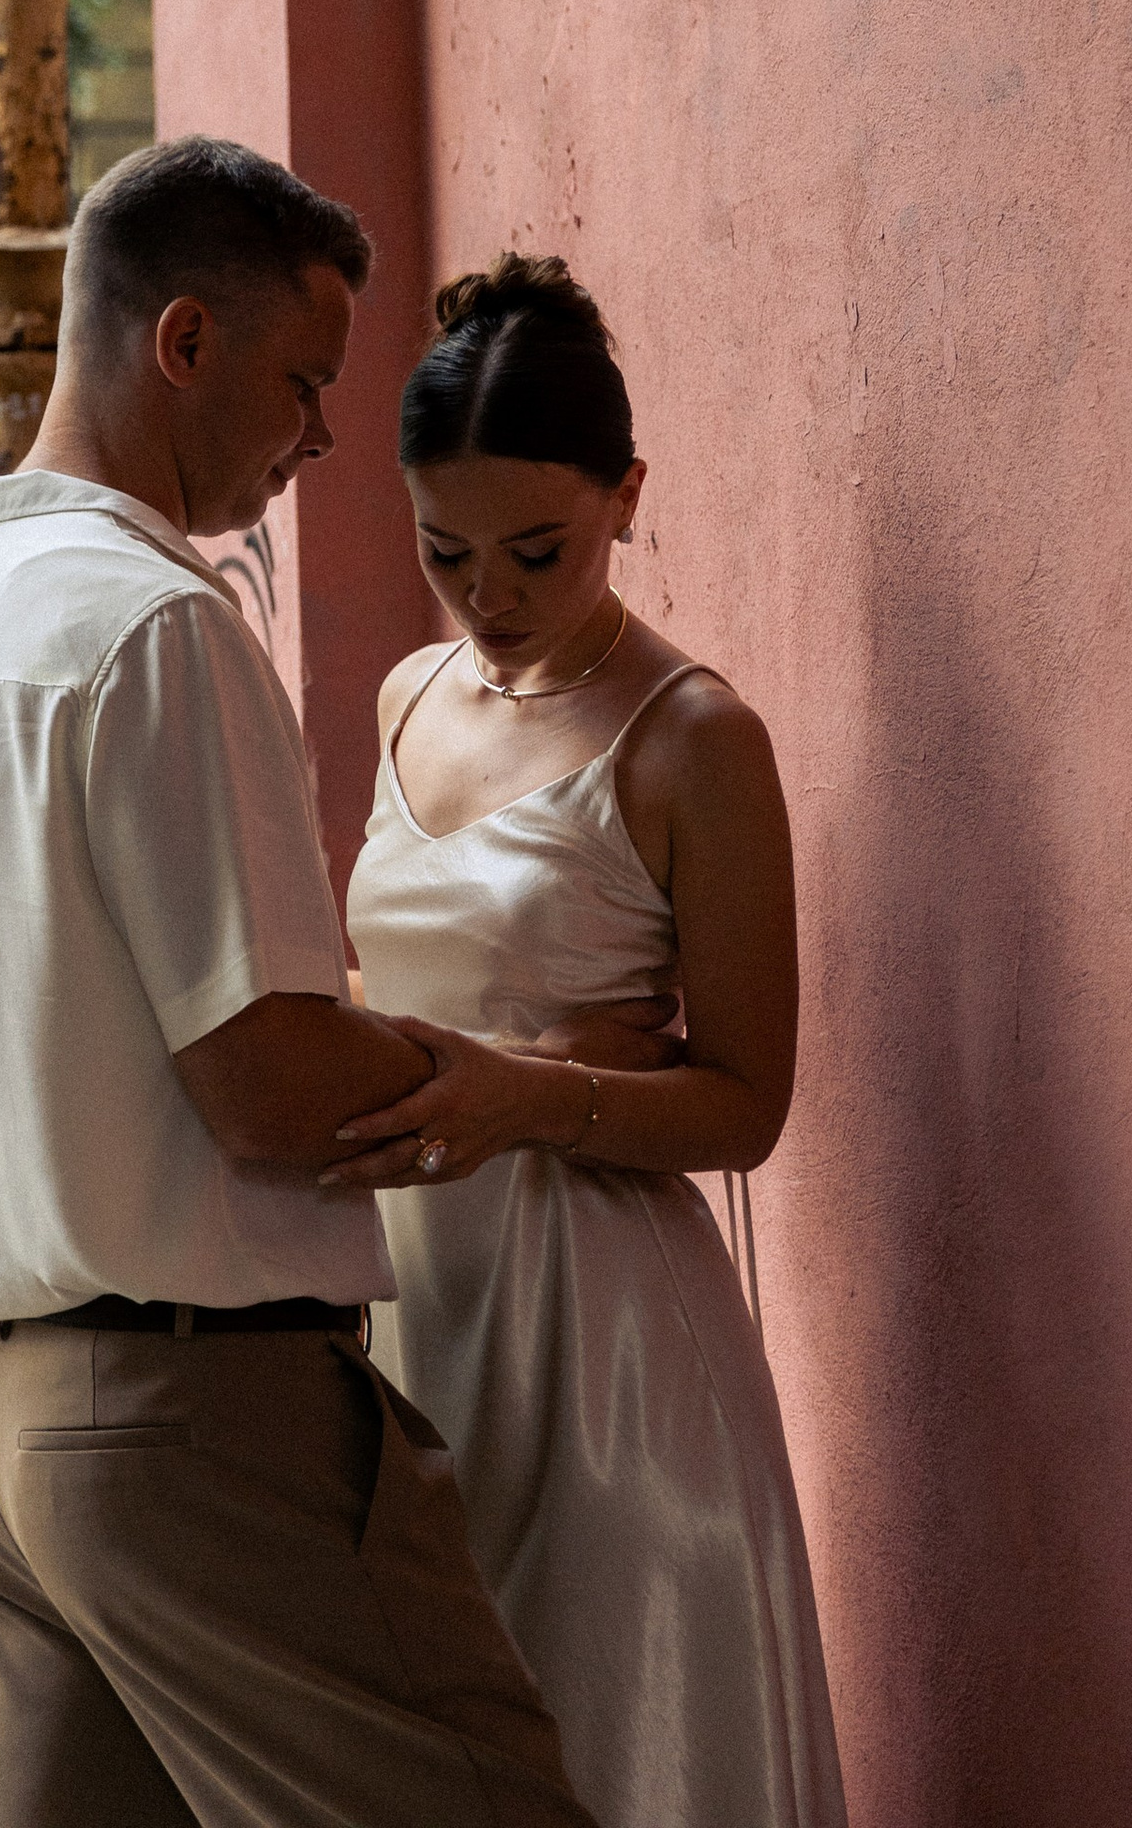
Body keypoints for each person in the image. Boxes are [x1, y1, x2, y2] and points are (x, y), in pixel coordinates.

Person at [0, 137, 599, 1828]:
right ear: (182, 343)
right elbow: (267, 1087)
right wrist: (507, 1076)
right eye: (302, 380)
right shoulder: (158, 627)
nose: (323, 437)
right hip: (189, 1422)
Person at [336, 259, 848, 1828]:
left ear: (628, 495)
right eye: (447, 553)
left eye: (537, 550)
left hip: (607, 1340)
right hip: (414, 1306)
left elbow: (747, 1106)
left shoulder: (695, 737)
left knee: (616, 1745)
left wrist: (532, 1093)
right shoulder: (406, 697)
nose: (488, 594)